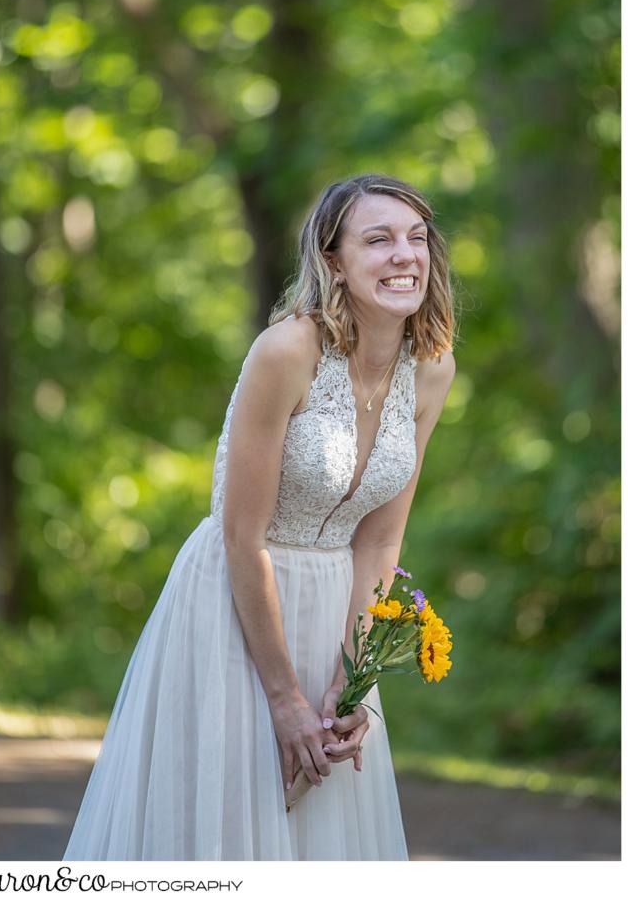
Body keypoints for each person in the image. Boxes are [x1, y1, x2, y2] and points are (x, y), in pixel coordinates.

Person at [62, 173, 456, 861]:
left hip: (337, 611)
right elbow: (241, 534)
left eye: (416, 238)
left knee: (319, 828)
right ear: (332, 260)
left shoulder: (430, 369)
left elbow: (381, 537)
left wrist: (349, 678)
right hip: (234, 602)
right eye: (378, 239)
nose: (405, 255)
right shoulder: (285, 351)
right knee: (227, 829)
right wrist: (283, 697)